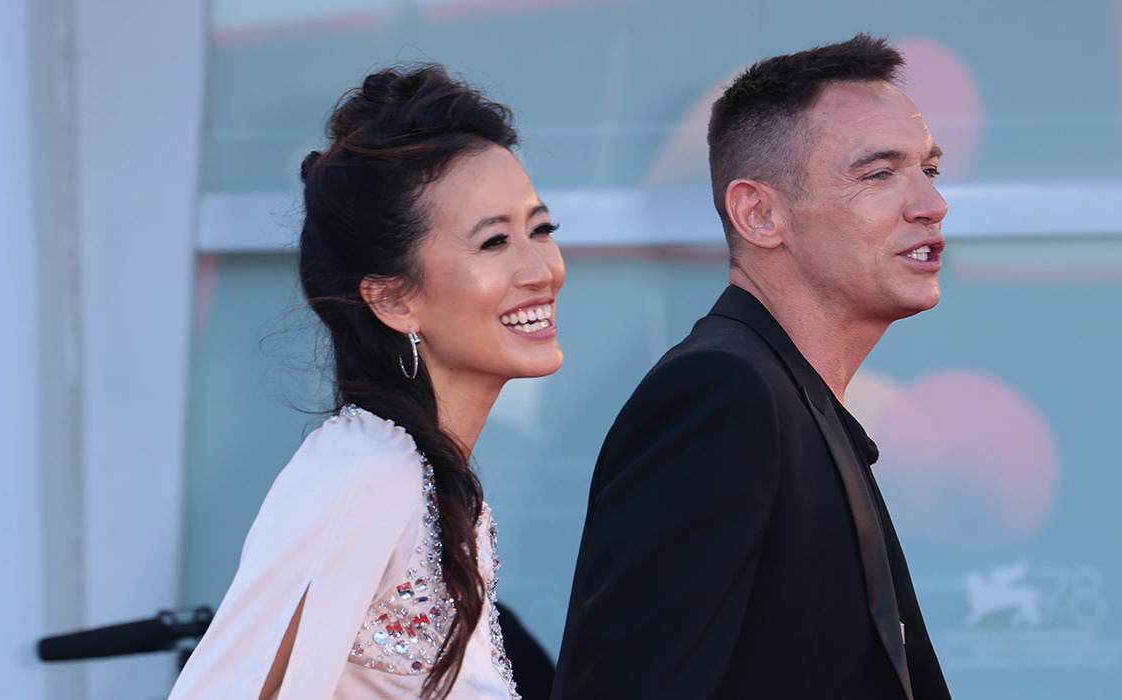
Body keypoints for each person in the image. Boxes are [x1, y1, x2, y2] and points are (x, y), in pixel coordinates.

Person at [551, 34, 951, 699]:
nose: (931, 205)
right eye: (880, 173)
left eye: (929, 170)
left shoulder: (792, 398)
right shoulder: (723, 395)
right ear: (759, 213)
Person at [169, 64, 565, 700]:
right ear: (393, 299)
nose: (539, 268)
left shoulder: (433, 481)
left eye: (540, 229)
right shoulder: (369, 468)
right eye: (494, 242)